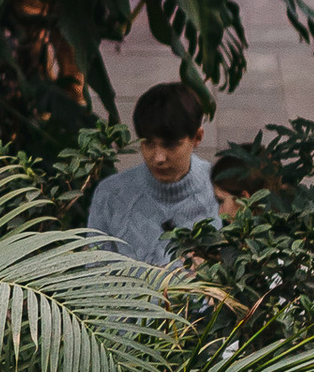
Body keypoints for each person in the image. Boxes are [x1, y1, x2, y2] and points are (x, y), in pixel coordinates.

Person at [86, 81, 221, 263]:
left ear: (197, 137)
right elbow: (94, 273)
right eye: (148, 143)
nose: (158, 158)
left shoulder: (220, 192)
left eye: (170, 144)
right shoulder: (111, 195)